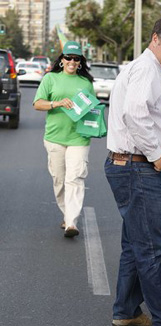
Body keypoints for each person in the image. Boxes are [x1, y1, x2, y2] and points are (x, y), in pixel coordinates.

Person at [104, 17, 161, 326]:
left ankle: (125, 312)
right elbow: (135, 115)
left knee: (134, 245)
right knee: (152, 249)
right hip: (139, 167)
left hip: (130, 165)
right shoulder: (146, 70)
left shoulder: (147, 69)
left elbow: (145, 116)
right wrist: (158, 155)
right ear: (155, 39)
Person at [33, 41, 96, 238]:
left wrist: (96, 123)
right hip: (55, 138)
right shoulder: (50, 79)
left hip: (79, 138)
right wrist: (57, 103)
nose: (72, 61)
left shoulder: (86, 83)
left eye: (76, 59)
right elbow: (37, 104)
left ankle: (71, 222)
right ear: (62, 60)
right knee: (59, 180)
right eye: (68, 57)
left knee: (75, 178)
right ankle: (66, 213)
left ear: (80, 62)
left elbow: (92, 110)